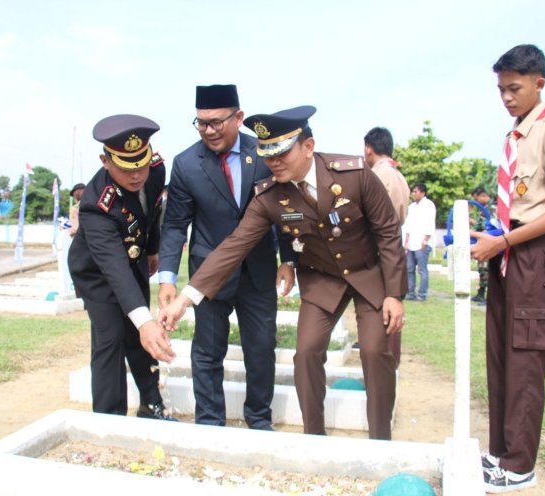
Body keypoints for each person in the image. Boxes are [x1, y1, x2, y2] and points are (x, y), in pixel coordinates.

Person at [158, 106, 406, 440]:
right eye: (267, 155)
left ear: (307, 146)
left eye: (281, 153)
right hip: (322, 279)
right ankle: (313, 437)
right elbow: (233, 247)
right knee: (305, 353)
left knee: (376, 351)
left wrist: (393, 293)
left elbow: (388, 231)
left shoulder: (355, 173)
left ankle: (380, 441)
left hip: (368, 274)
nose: (273, 162)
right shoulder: (270, 196)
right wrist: (185, 299)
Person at [471, 44, 545, 493]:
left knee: (524, 361)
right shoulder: (515, 133)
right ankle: (501, 453)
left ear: (539, 82)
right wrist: (495, 240)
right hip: (507, 252)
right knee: (499, 356)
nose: (506, 98)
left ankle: (520, 465)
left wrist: (505, 241)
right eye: (500, 89)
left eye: (514, 88)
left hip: (532, 254)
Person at [158, 84, 295, 430]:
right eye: (201, 123)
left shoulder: (263, 153)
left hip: (258, 269)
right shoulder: (187, 163)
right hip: (210, 273)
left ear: (238, 117)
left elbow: (286, 209)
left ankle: (259, 420)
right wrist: (167, 278)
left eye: (217, 122)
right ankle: (209, 422)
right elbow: (175, 225)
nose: (209, 130)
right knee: (207, 351)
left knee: (261, 348)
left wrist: (288, 259)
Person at [67, 114, 176, 421]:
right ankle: (108, 419)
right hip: (98, 274)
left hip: (134, 261)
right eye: (127, 168)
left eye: (141, 164)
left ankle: (152, 405)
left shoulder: (155, 169)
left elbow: (153, 210)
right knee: (112, 337)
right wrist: (144, 319)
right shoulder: (96, 204)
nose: (136, 175)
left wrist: (152, 249)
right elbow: (113, 267)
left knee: (141, 338)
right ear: (105, 160)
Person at [360, 127, 410, 366]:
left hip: (379, 248)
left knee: (382, 310)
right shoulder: (397, 175)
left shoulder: (378, 175)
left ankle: (384, 366)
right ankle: (389, 363)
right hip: (392, 246)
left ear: (368, 149)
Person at [402, 183, 436, 301]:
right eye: (413, 192)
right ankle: (410, 293)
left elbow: (430, 224)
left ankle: (422, 294)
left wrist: (425, 240)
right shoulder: (411, 207)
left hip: (422, 243)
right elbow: (408, 225)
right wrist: (406, 242)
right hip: (411, 242)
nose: (413, 194)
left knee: (422, 270)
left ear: (422, 193)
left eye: (415, 192)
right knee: (409, 269)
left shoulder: (429, 205)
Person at [470, 186, 493, 305]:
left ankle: (488, 296)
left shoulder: (491, 210)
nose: (475, 202)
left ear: (484, 196)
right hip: (480, 242)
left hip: (488, 243)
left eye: (476, 199)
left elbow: (486, 226)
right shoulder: (482, 209)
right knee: (482, 270)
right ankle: (481, 293)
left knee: (486, 270)